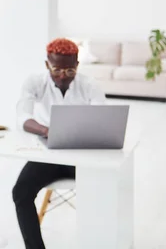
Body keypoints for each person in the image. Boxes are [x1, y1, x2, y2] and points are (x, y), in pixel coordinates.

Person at [12, 38, 106, 249]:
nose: (63, 75)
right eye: (57, 69)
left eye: (70, 71)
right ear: (47, 64)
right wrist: (46, 130)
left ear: (77, 66)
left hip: (82, 157)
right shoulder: (34, 82)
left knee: (102, 190)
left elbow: (102, 119)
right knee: (20, 192)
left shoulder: (89, 85)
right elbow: (22, 118)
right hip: (49, 154)